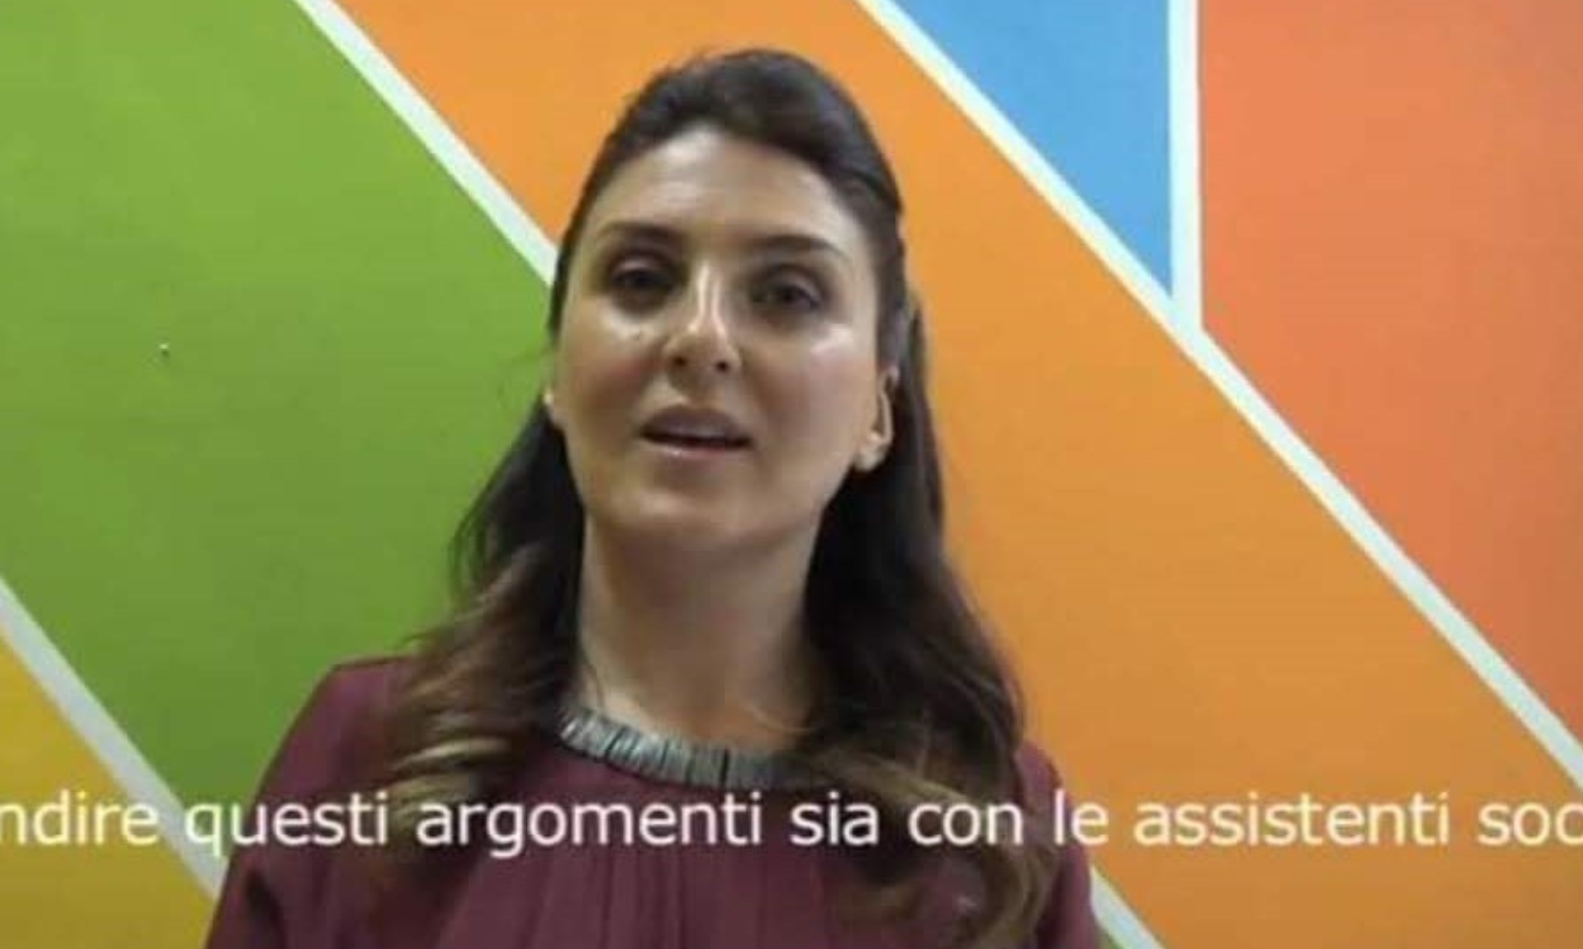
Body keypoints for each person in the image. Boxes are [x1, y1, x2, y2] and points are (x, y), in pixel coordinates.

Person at [204, 48, 1097, 949]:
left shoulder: (992, 850)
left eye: (786, 294)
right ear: (558, 372)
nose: (700, 337)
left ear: (879, 405)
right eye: (641, 280)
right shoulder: (366, 766)